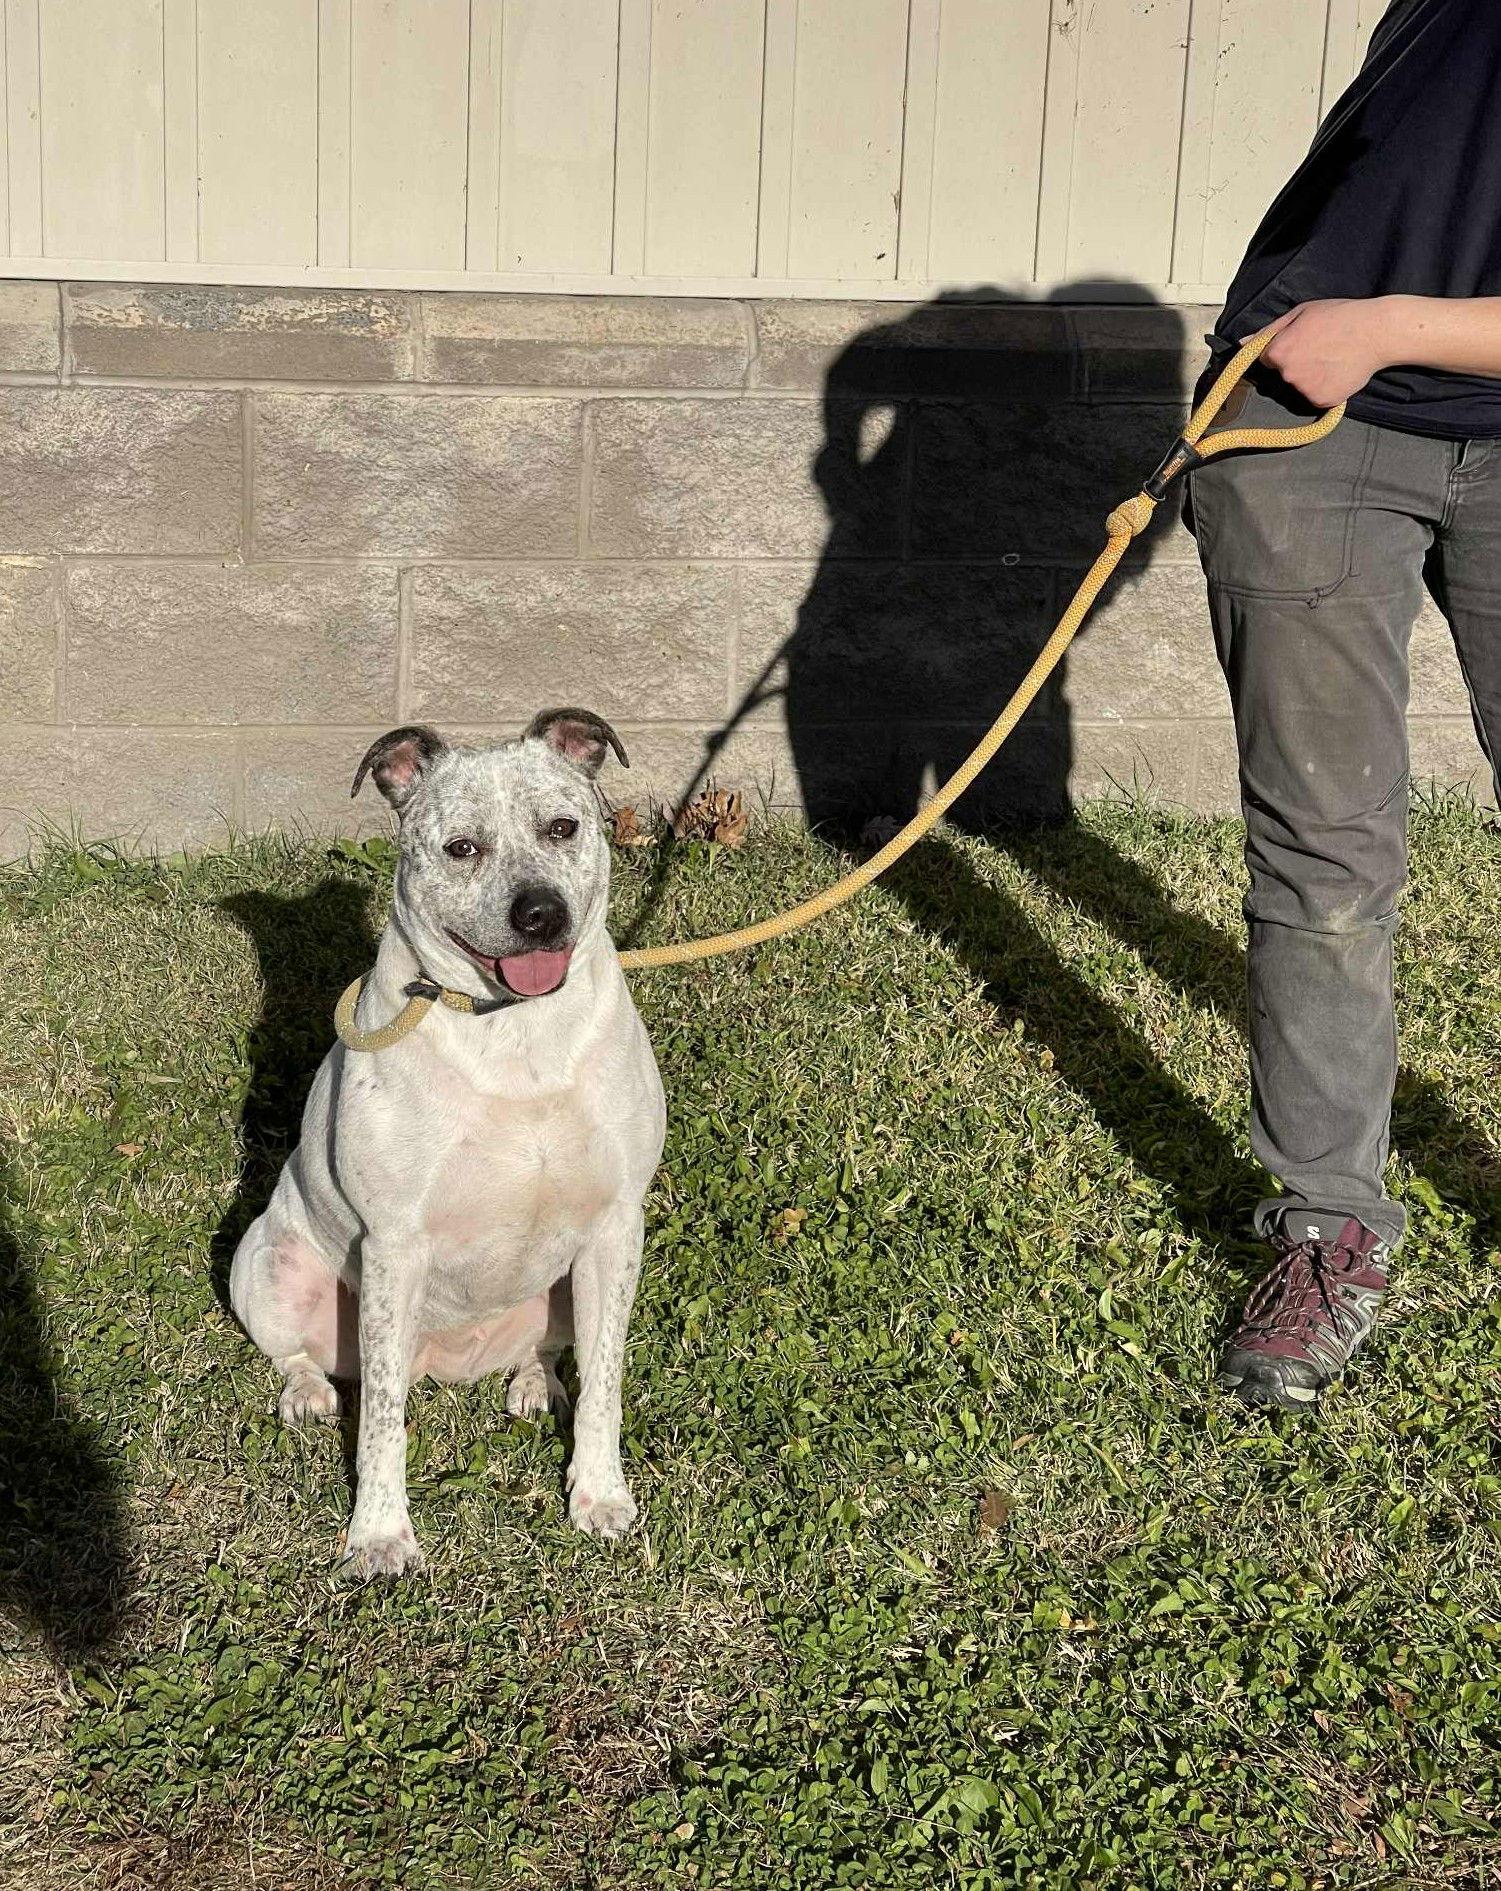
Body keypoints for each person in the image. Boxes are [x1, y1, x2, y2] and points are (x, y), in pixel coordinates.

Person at [1185, 0, 1500, 1410]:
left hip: (1372, 365)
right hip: (1308, 436)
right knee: (1322, 852)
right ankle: (1325, 1232)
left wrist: (1389, 325)